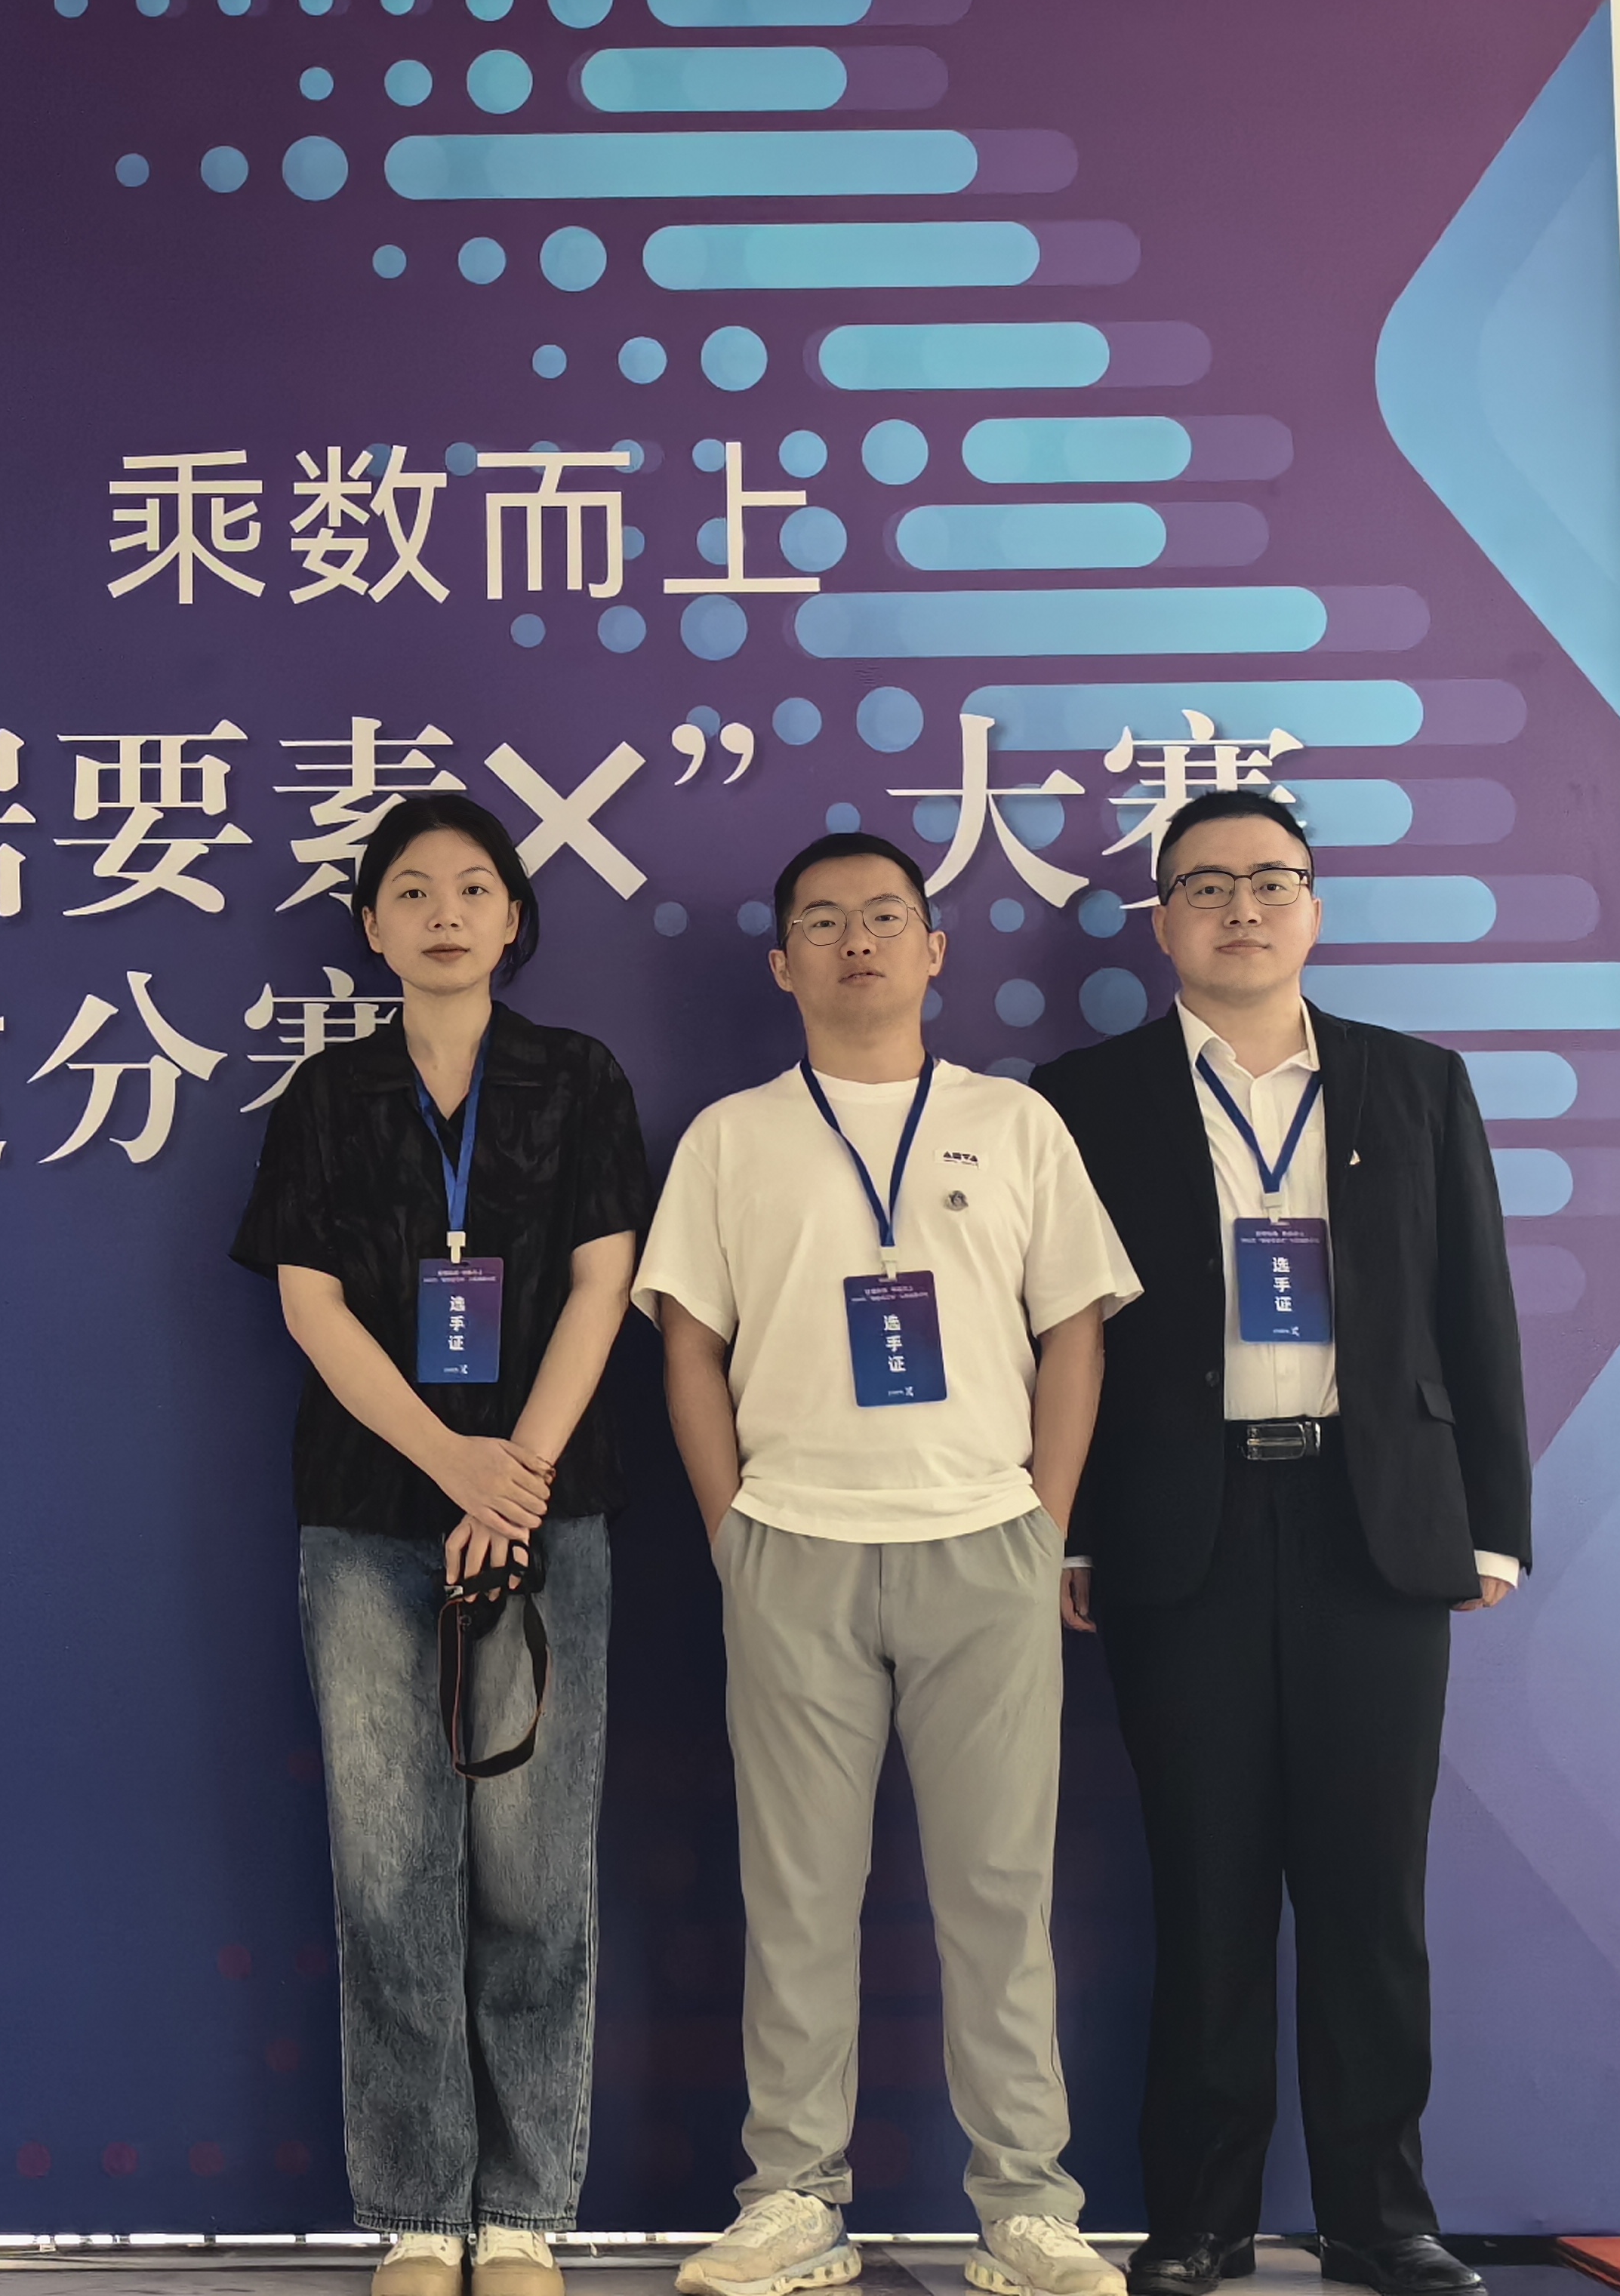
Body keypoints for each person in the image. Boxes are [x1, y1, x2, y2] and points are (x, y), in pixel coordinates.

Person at [1030, 789, 1527, 2296]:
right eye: (1204, 886)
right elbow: (1050, 1329)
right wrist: (1068, 1529)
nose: (1239, 909)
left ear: (1312, 906)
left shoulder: (1414, 1082)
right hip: (1175, 1523)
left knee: (1370, 1890)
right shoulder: (1081, 1096)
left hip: (1374, 1525)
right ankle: (1197, 2221)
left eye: (1269, 881)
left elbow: (1474, 1307)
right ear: (1160, 920)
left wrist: (1492, 1526)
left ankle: (1380, 2218)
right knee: (1205, 1886)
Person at [633, 833, 1138, 2296]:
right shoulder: (730, 1138)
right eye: (821, 921)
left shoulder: (1013, 1123)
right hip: (791, 1548)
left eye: (883, 917)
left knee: (999, 1894)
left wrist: (1040, 1521)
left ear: (933, 950)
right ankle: (792, 2200)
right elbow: (688, 1346)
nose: (855, 942)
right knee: (796, 1896)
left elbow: (1073, 1330)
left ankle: (1027, 2208)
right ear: (780, 963)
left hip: (982, 1547)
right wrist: (732, 1530)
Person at [233, 796, 651, 2296]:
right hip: (368, 1516)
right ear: (370, 926)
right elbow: (309, 1304)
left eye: (473, 887)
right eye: (410, 891)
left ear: (514, 917)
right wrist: (452, 1464)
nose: (444, 914)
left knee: (534, 1871)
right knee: (389, 1869)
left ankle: (525, 2211)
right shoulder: (328, 1093)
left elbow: (606, 1280)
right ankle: (420, 2208)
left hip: (547, 1517)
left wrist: (513, 1476)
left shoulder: (576, 1077)